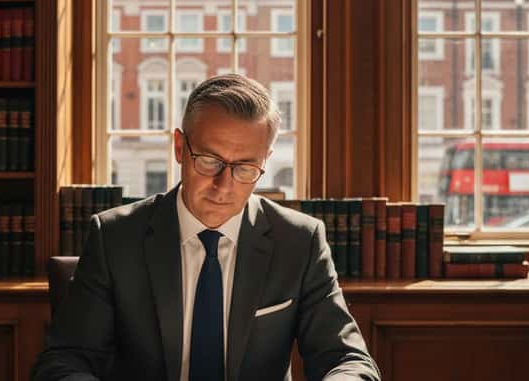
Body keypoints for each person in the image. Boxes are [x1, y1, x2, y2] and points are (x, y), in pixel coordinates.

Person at [31, 74, 380, 381]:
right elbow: (63, 362)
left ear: (265, 161)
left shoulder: (299, 241)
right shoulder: (115, 238)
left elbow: (348, 359)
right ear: (180, 147)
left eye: (245, 168)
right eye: (210, 161)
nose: (224, 186)